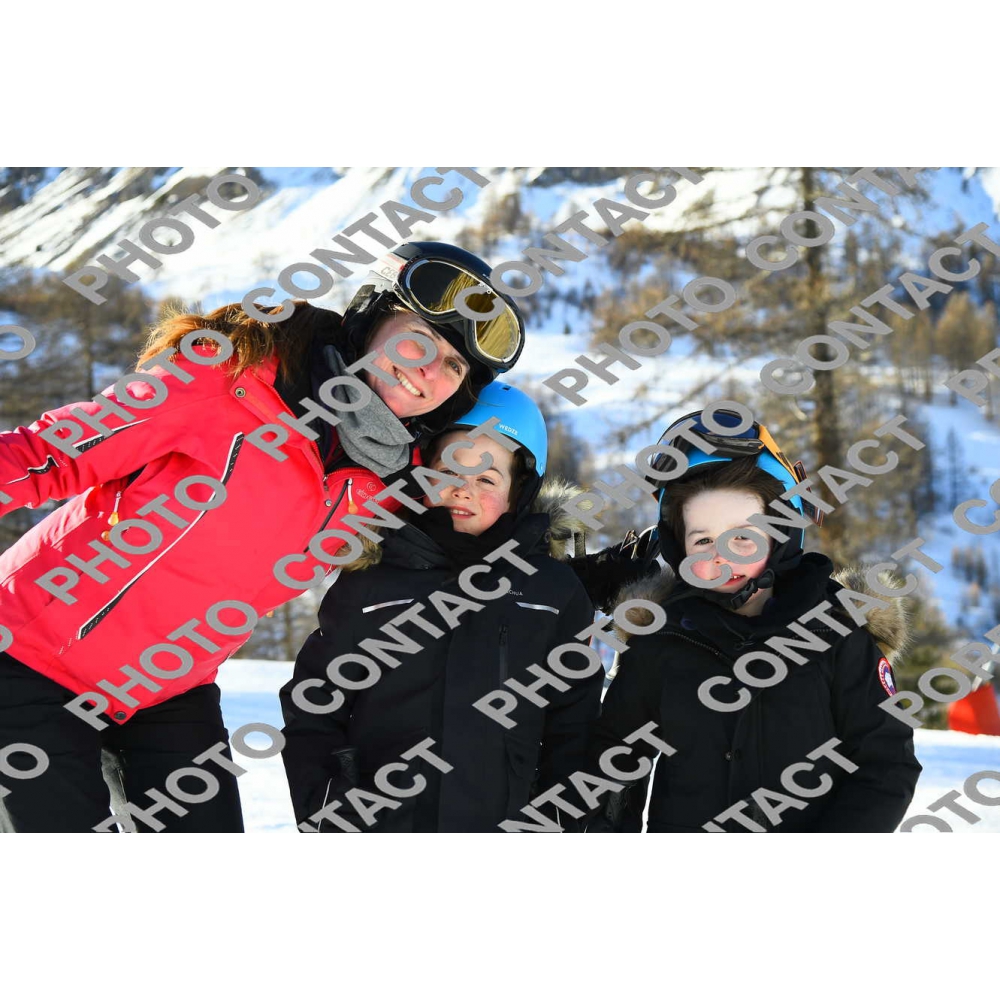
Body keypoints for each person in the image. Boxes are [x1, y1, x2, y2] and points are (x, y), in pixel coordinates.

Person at [0, 241, 526, 833]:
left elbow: (465, 543)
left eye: (454, 365)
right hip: (28, 659)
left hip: (168, 688)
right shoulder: (226, 379)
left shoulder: (385, 479)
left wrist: (589, 577)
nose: (429, 369)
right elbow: (46, 455)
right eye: (418, 339)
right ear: (370, 318)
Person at [279, 382, 603, 832]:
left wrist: (557, 821)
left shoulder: (552, 591)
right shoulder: (371, 582)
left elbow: (574, 722)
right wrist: (331, 808)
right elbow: (315, 703)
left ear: (519, 492)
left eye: (486, 479)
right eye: (449, 471)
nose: (462, 490)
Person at [587, 407, 922, 833]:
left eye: (742, 536)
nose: (722, 556)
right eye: (702, 540)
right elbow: (616, 760)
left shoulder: (836, 633)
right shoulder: (660, 639)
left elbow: (886, 764)